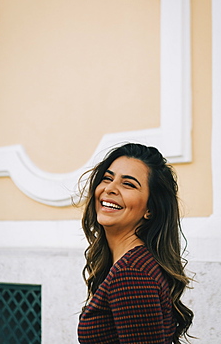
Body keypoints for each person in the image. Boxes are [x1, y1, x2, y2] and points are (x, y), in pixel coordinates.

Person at [77, 143, 194, 344]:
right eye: (107, 178)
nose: (110, 189)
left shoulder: (131, 274)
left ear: (150, 209)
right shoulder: (132, 263)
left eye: (128, 184)